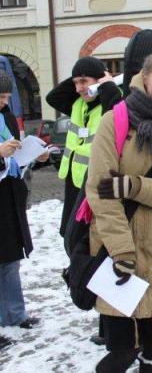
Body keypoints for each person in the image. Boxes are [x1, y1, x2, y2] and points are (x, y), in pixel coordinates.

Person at [85, 51, 152, 372]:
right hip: (120, 254)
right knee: (123, 351)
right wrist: (121, 251)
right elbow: (100, 192)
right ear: (144, 79)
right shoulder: (115, 120)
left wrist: (134, 186)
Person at [45, 57, 121, 238]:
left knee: (90, 237)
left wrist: (106, 84)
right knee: (70, 233)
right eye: (75, 83)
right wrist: (81, 76)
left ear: (100, 81)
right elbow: (52, 97)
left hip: (97, 181)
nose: (79, 88)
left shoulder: (112, 101)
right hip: (74, 181)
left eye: (84, 81)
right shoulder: (78, 104)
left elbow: (118, 117)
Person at [0, 71, 49, 341]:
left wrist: (33, 155)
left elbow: (13, 152)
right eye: (0, 97)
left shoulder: (4, 114)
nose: (4, 102)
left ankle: (14, 315)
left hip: (8, 197)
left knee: (9, 260)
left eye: (7, 97)